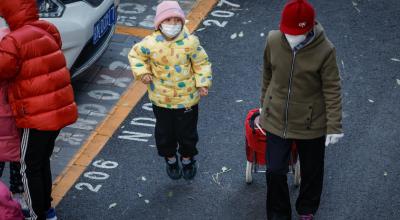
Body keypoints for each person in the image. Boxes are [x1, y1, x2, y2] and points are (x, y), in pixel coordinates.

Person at [259, 0, 343, 219]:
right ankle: (278, 214)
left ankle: (307, 208)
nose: (291, 37)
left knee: (312, 170)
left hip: (311, 122)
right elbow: (267, 74)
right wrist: (264, 104)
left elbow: (332, 88)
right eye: (287, 32)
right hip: (276, 118)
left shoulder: (326, 50)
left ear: (309, 29)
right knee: (274, 171)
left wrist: (334, 126)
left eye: (296, 33)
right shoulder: (273, 39)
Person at [0, 0, 78, 219]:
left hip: (36, 117)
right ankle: (47, 210)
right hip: (58, 111)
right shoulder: (47, 28)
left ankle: (36, 215)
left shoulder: (13, 40)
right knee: (42, 161)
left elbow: (3, 69)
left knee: (29, 168)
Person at [128, 1, 212, 180]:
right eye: (168, 20)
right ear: (159, 24)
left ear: (182, 22)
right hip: (161, 100)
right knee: (164, 133)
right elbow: (135, 56)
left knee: (187, 133)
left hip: (187, 99)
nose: (173, 25)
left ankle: (188, 159)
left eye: (176, 20)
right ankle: (171, 159)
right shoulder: (150, 43)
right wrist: (142, 73)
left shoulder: (190, 42)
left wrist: (202, 83)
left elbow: (201, 62)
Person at [0, 26, 28, 215]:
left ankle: (14, 195)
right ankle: (17, 194)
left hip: (11, 119)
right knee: (18, 159)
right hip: (13, 119)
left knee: (15, 158)